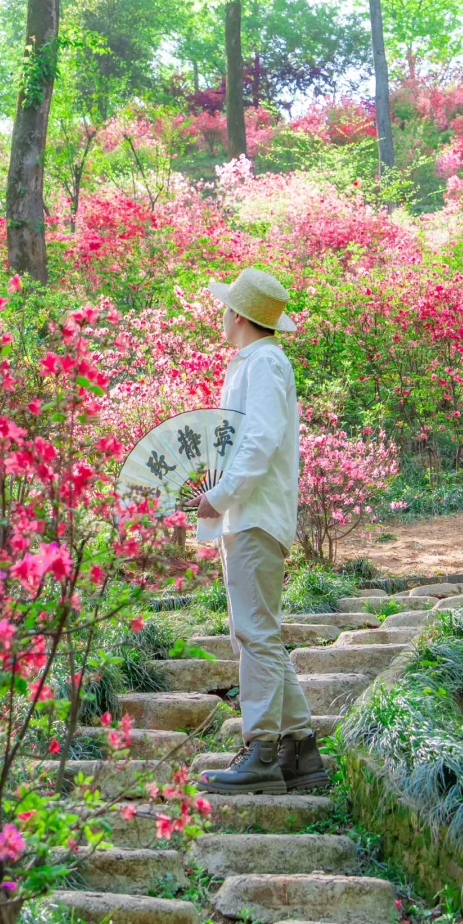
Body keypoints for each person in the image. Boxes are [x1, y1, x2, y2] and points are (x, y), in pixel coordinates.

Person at [195, 265, 327, 796]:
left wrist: (221, 495)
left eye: (226, 307)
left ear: (239, 314)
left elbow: (261, 439)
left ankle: (262, 752)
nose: (222, 315)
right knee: (255, 632)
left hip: (254, 514)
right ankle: (301, 752)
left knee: (255, 634)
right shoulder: (253, 362)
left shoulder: (266, 363)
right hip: (244, 516)